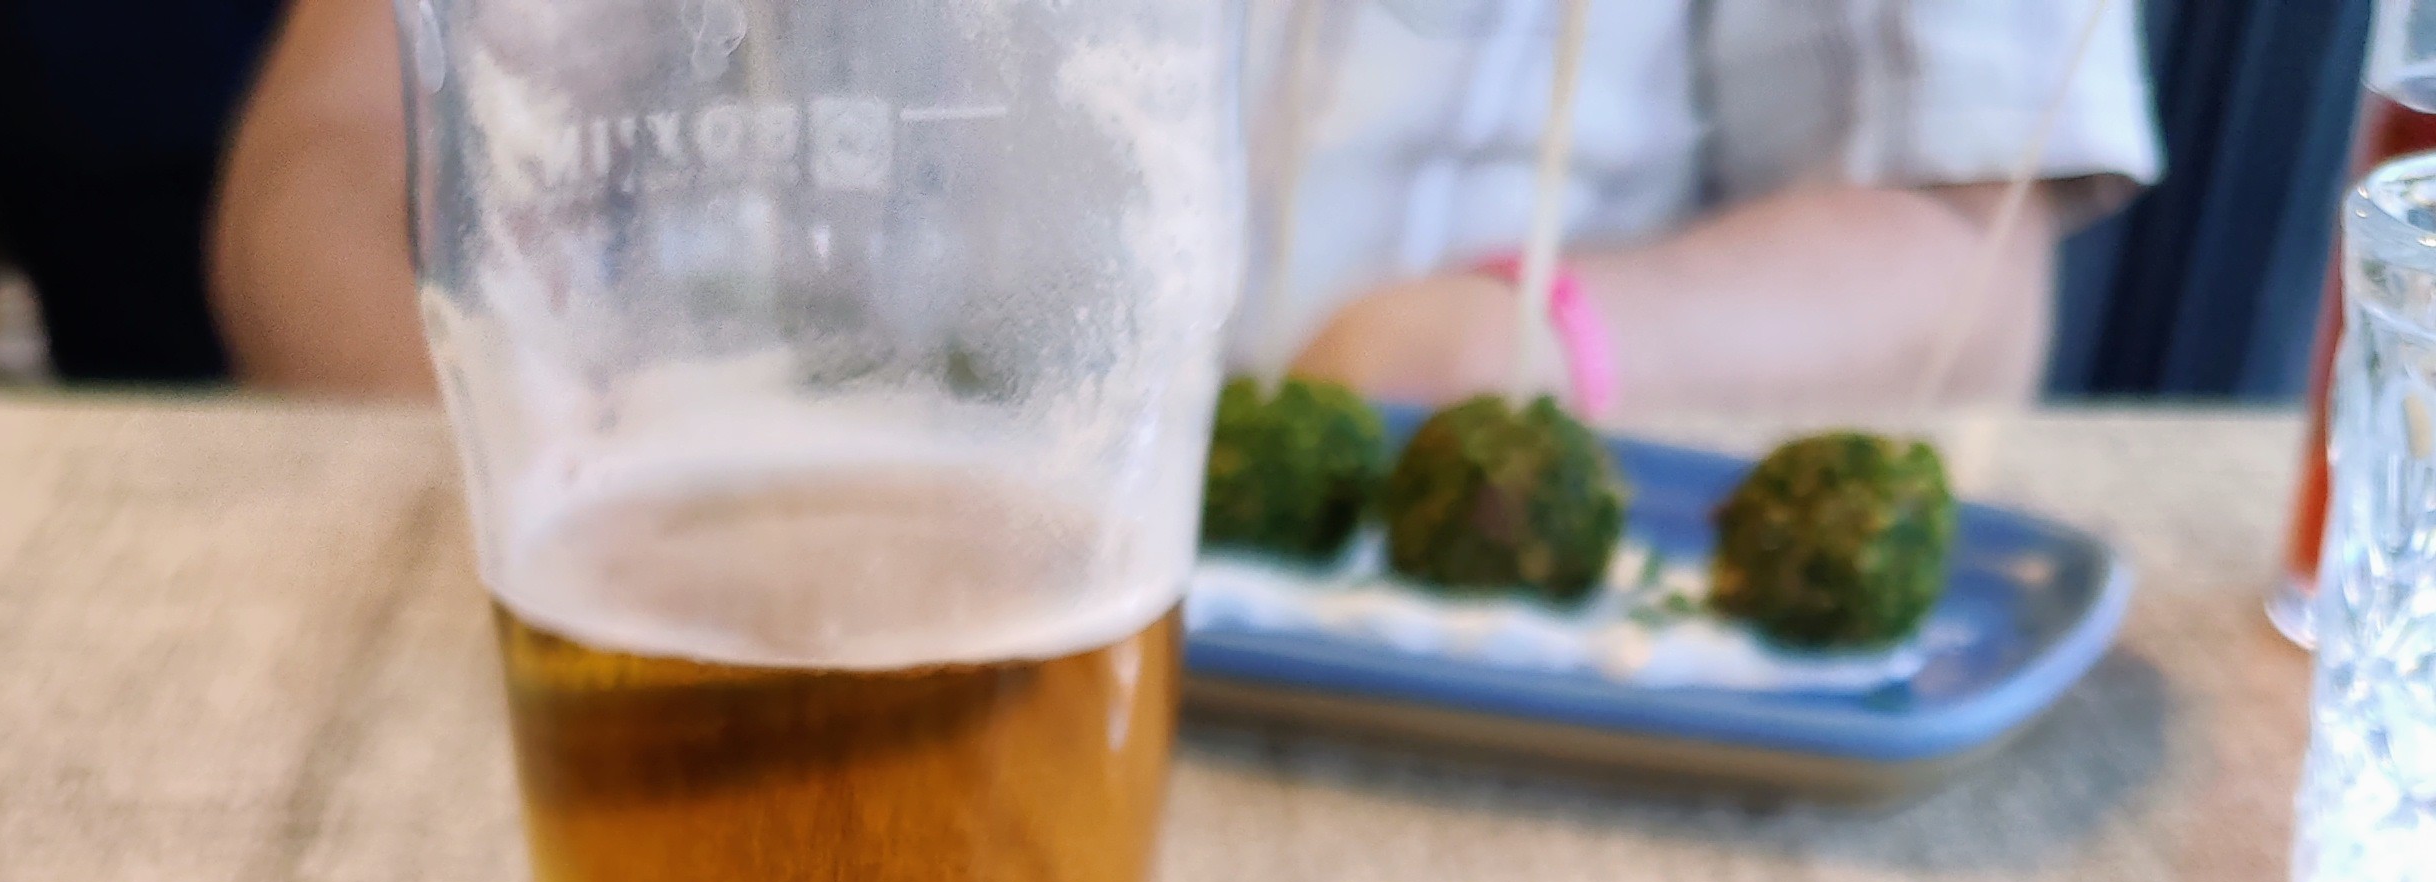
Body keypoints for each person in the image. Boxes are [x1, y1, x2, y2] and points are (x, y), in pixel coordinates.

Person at [208, 0, 2159, 412]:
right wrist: (515, 480)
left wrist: (1531, 342)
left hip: (1478, 705)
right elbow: (333, 153)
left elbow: (1966, 273)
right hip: (756, 639)